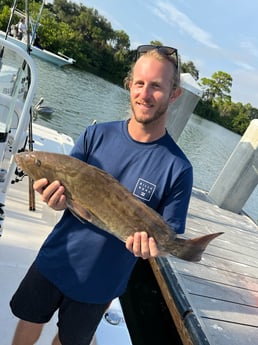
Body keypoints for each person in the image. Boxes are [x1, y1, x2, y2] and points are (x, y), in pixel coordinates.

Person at [10, 44, 193, 345]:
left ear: (174, 94)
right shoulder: (96, 135)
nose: (145, 94)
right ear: (130, 85)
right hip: (57, 257)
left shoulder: (178, 168)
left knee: (69, 340)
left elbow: (168, 239)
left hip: (102, 283)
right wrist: (54, 200)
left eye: (156, 87)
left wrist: (152, 248)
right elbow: (66, 198)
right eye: (139, 83)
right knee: (29, 317)